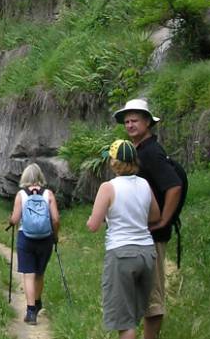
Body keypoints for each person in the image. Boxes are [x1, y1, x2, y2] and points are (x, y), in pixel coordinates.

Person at [114, 98, 182, 339]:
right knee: (139, 294)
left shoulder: (151, 152)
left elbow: (173, 186)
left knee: (152, 296)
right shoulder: (140, 151)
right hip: (141, 235)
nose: (130, 125)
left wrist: (164, 220)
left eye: (135, 120)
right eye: (127, 121)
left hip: (152, 236)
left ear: (147, 123)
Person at [86, 139, 162, 339]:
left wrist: (94, 218)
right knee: (138, 313)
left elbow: (93, 226)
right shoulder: (144, 184)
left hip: (121, 254)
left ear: (114, 162)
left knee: (125, 322)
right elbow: (155, 216)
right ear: (134, 160)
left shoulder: (108, 188)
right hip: (147, 253)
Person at [8, 163, 60, 325]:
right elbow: (56, 219)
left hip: (26, 237)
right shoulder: (48, 194)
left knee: (28, 275)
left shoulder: (21, 195)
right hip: (45, 238)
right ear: (40, 177)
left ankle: (31, 312)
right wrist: (55, 236)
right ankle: (37, 303)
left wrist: (10, 221)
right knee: (39, 273)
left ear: (24, 177)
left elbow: (15, 219)